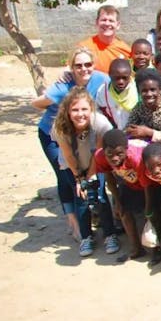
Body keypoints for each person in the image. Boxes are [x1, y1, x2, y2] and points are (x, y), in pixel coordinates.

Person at [32, 48, 108, 240]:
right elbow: (36, 103)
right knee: (66, 174)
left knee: (92, 171)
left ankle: (94, 212)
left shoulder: (101, 80)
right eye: (78, 65)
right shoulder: (63, 85)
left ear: (94, 65)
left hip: (83, 133)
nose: (83, 69)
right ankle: (73, 220)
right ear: (71, 67)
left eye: (87, 64)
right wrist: (58, 105)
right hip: (54, 133)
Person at [52, 87, 117, 257]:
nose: (80, 114)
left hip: (95, 160)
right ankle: (86, 236)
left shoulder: (100, 124)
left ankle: (110, 234)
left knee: (100, 195)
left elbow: (99, 152)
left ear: (91, 109)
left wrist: (90, 175)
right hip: (71, 164)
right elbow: (67, 154)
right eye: (74, 110)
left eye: (84, 109)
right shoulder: (59, 127)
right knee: (80, 197)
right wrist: (79, 178)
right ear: (67, 111)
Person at [95, 130, 148, 262]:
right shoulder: (100, 156)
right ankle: (136, 248)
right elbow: (109, 177)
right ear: (104, 151)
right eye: (110, 154)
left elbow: (148, 185)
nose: (114, 158)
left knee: (152, 214)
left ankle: (156, 250)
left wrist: (149, 206)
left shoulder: (136, 158)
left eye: (119, 153)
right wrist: (117, 201)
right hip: (130, 184)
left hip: (150, 184)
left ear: (126, 149)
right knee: (124, 211)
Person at [126, 68, 161, 148]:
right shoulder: (139, 107)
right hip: (147, 145)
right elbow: (128, 129)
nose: (149, 94)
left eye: (153, 90)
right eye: (144, 91)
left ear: (160, 89)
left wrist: (150, 133)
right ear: (139, 92)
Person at [77, 5, 131, 72]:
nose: (107, 23)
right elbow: (69, 69)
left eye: (111, 21)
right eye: (104, 20)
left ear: (118, 25)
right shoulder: (84, 47)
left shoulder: (126, 50)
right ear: (97, 22)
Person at [96, 58, 136, 129]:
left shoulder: (137, 89)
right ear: (109, 75)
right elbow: (99, 112)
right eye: (117, 78)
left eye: (125, 78)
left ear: (130, 75)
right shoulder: (103, 91)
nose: (121, 82)